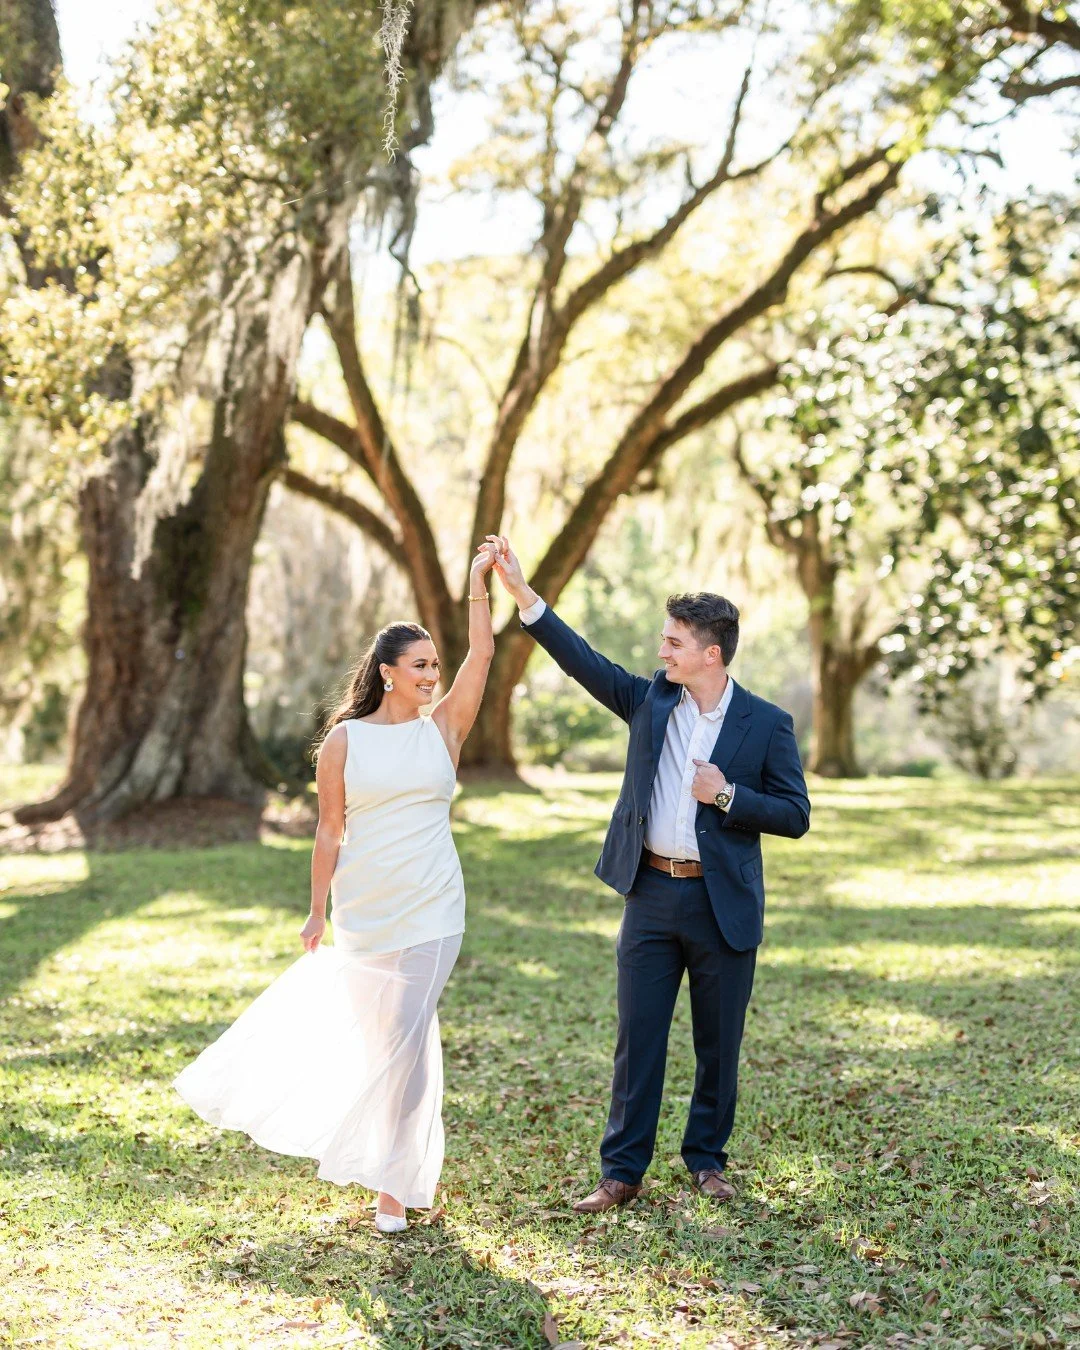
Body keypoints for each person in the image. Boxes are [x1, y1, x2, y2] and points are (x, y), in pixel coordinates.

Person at [173, 541, 500, 1233]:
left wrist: (479, 586)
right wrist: (315, 911)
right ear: (387, 673)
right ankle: (402, 1167)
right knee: (386, 1046)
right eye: (420, 666)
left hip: (434, 905)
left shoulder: (445, 727)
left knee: (408, 1040)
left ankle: (390, 1182)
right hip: (366, 909)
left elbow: (484, 655)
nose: (433, 676)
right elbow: (328, 831)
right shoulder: (345, 743)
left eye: (435, 665)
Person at [488, 535, 810, 1214]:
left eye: (674, 642)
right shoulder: (649, 702)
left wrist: (726, 796)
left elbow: (795, 814)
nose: (661, 652)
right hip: (651, 895)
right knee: (638, 1042)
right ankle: (621, 1173)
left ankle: (707, 1161)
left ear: (710, 654)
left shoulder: (767, 725)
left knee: (718, 1045)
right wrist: (522, 596)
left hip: (723, 903)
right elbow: (582, 662)